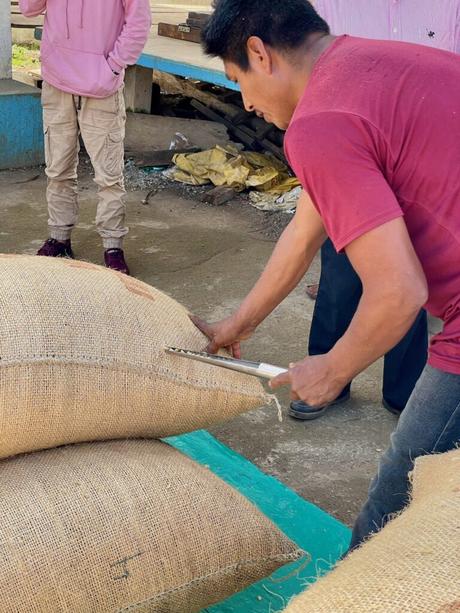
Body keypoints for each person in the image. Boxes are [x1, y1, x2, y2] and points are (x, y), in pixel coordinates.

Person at [195, 0, 460, 549]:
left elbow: (398, 290)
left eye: (237, 81)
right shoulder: (372, 64)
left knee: (397, 508)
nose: (244, 102)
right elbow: (304, 229)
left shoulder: (318, 123)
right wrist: (238, 325)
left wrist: (334, 369)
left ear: (259, 54)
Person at [291, 0, 460, 420]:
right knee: (340, 273)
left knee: (411, 283)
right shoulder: (331, 4)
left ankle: (405, 391)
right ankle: (328, 378)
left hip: (419, 166)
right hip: (351, 156)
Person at [19, 0, 152, 275]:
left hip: (102, 88)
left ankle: (113, 245)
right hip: (57, 82)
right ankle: (59, 238)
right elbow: (28, 8)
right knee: (58, 169)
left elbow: (138, 23)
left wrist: (113, 66)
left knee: (109, 176)